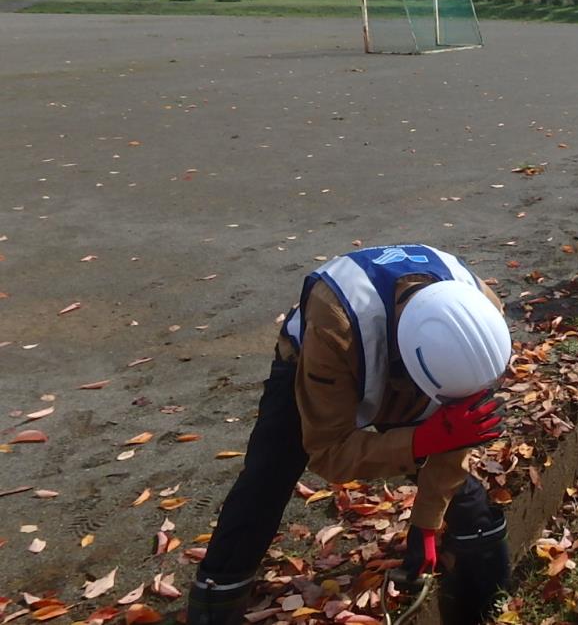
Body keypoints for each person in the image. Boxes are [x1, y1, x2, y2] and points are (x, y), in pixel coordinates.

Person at [188, 245, 514, 625]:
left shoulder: (481, 316)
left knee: (462, 493)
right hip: (316, 361)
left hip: (404, 357)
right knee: (267, 478)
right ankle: (217, 598)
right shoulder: (335, 323)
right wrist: (424, 440)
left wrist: (426, 524)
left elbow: (458, 430)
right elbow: (329, 452)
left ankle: (483, 593)